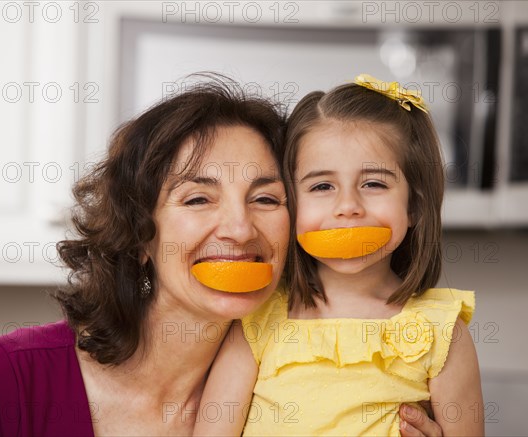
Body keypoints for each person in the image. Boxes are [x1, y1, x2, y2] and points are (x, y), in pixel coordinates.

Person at [0, 76, 443, 437]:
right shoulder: (11, 379)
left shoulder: (318, 395)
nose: (238, 229)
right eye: (197, 199)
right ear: (140, 232)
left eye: (267, 199)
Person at [194, 75, 483, 436]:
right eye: (322, 186)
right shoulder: (258, 321)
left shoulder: (442, 332)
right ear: (292, 206)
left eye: (373, 184)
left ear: (415, 207)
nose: (347, 207)